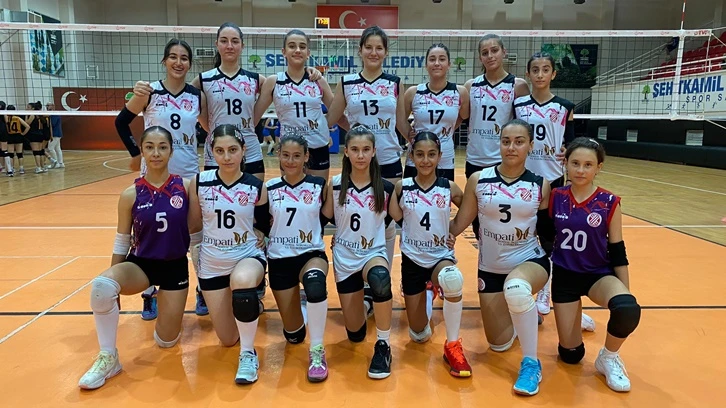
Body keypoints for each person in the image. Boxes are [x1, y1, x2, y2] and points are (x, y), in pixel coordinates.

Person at [78, 126, 195, 390]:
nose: (156, 153)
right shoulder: (130, 194)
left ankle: (165, 303)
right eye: (149, 147)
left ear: (171, 151)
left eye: (162, 147)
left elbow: (197, 232)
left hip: (175, 267)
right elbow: (122, 240)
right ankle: (109, 357)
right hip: (141, 265)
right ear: (141, 151)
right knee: (102, 287)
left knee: (166, 341)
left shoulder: (186, 188)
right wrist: (114, 283)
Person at [449, 119, 551, 396]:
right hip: (491, 269)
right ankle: (523, 313)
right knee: (499, 344)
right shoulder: (479, 180)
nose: (511, 147)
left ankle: (531, 364)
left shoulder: (540, 185)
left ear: (530, 146)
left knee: (516, 289)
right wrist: (435, 237)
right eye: (506, 141)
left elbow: (547, 234)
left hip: (529, 261)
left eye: (519, 142)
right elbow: (459, 223)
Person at [122, 38, 209, 320]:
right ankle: (149, 294)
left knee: (195, 235)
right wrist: (136, 153)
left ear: (190, 64)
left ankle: (203, 290)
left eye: (184, 58)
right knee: (148, 234)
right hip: (153, 177)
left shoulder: (196, 96)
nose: (178, 62)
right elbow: (121, 122)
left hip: (187, 175)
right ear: (164, 61)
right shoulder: (149, 91)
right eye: (173, 57)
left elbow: (209, 128)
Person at [548, 137, 641, 392]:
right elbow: (543, 239)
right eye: (575, 163)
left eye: (588, 165)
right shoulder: (555, 196)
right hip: (565, 277)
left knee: (627, 309)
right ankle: (576, 317)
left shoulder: (609, 202)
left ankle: (608, 357)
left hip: (598, 275)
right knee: (571, 355)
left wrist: (625, 293)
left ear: (598, 167)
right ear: (566, 163)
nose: (581, 170)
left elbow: (618, 250)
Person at [513, 52, 594, 328]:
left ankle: (547, 290)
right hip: (524, 179)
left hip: (553, 180)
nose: (540, 74)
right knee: (524, 235)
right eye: (535, 69)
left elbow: (570, 143)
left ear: (553, 74)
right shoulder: (519, 104)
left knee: (550, 238)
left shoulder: (564, 106)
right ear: (528, 74)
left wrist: (567, 151)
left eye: (545, 69)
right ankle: (522, 286)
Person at [187, 124, 269, 384]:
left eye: (233, 150)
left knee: (242, 282)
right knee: (227, 338)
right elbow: (194, 225)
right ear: (211, 152)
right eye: (220, 151)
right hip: (212, 262)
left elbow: (265, 224)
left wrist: (261, 233)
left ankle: (248, 354)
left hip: (247, 256)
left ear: (243, 150)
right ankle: (250, 306)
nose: (227, 157)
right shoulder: (199, 182)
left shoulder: (256, 186)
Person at [326, 25, 410, 269]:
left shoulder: (395, 83)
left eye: (379, 48)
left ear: (386, 52)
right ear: (360, 50)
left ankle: (381, 275)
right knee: (360, 216)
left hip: (388, 160)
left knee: (387, 221)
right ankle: (356, 271)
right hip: (357, 163)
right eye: (369, 47)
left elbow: (401, 123)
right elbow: (332, 118)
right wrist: (355, 132)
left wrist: (422, 139)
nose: (374, 52)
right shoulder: (347, 82)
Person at [387, 131, 470, 377]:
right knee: (419, 335)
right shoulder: (402, 188)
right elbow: (397, 217)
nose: (425, 160)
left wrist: (452, 230)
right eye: (420, 155)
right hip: (412, 259)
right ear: (411, 157)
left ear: (440, 156)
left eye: (431, 154)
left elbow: (469, 208)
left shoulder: (449, 188)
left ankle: (452, 344)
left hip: (439, 256)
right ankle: (428, 293)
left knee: (452, 279)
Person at [320, 124, 395, 379]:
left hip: (373, 254)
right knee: (355, 334)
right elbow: (321, 219)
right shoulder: (335, 185)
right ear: (346, 152)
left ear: (374, 151)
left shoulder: (386, 188)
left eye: (365, 149)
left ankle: (384, 345)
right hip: (344, 259)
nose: (360, 155)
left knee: (380, 279)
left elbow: (405, 220)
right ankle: (366, 302)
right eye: (354, 149)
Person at [261, 133, 331, 382]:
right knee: (294, 336)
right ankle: (300, 308)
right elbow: (260, 222)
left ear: (306, 157)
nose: (291, 161)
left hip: (310, 253)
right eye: (286, 155)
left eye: (297, 156)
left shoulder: (319, 185)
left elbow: (327, 217)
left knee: (315, 284)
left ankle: (317, 349)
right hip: (280, 259)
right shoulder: (269, 188)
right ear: (278, 155)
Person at [465, 34, 529, 243]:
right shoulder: (471, 86)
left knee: (505, 218)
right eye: (485, 53)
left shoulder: (517, 85)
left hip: (504, 161)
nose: (490, 56)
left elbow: (526, 125)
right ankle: (486, 259)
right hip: (475, 160)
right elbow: (459, 118)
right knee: (479, 221)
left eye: (494, 50)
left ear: (504, 52)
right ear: (480, 58)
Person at [254, 29, 335, 181]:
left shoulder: (318, 80)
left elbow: (336, 111)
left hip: (317, 146)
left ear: (308, 53)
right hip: (289, 149)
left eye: (302, 47)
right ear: (283, 51)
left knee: (319, 192)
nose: (297, 50)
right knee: (290, 192)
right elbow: (254, 117)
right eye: (292, 46)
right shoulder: (274, 81)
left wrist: (324, 128)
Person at [403, 43, 470, 181]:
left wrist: (449, 129)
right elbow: (399, 120)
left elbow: (464, 116)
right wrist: (409, 135)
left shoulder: (460, 92)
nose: (437, 63)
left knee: (443, 193)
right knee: (411, 193)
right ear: (426, 65)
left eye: (442, 59)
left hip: (445, 156)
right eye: (432, 59)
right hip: (417, 155)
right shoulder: (413, 92)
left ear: (449, 64)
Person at [24, 101, 50, 174]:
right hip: (40, 134)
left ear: (33, 108)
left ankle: (38, 167)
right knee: (40, 152)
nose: (26, 108)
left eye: (28, 107)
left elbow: (26, 124)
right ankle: (43, 167)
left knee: (36, 152)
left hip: (34, 135)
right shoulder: (40, 115)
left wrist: (26, 115)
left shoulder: (32, 115)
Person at [5, 105, 29, 176]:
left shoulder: (6, 118)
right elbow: (28, 126)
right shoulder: (18, 118)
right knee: (19, 154)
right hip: (18, 136)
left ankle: (12, 168)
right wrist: (23, 134)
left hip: (10, 136)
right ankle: (21, 169)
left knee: (11, 154)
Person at [46, 102, 64, 168]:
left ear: (53, 106)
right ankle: (61, 163)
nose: (47, 107)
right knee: (57, 148)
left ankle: (55, 163)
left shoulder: (54, 114)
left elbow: (52, 124)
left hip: (54, 134)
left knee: (50, 148)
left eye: (48, 105)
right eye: (46, 105)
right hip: (57, 133)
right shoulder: (53, 113)